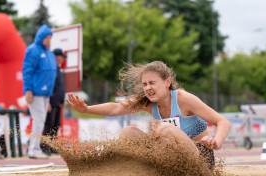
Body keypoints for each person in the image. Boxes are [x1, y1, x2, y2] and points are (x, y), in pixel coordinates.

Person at [66, 61, 231, 167]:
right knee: (128, 132)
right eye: (144, 84)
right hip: (171, 159)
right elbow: (116, 108)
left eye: (152, 83)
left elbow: (222, 121)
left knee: (164, 129)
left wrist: (216, 141)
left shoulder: (183, 99)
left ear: (167, 82)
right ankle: (133, 170)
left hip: (199, 159)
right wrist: (87, 109)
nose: (147, 88)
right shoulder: (148, 102)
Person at [22, 24, 57, 159]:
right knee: (39, 119)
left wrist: (48, 95)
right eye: (47, 38)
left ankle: (35, 148)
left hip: (44, 94)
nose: (49, 41)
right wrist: (28, 90)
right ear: (41, 38)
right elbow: (27, 71)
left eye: (50, 38)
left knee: (40, 120)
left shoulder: (49, 53)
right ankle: (33, 149)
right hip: (35, 92)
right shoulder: (32, 50)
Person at [41, 48, 66, 155]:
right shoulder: (51, 68)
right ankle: (45, 146)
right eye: (61, 57)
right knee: (49, 124)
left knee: (56, 124)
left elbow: (60, 87)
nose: (63, 59)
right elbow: (49, 86)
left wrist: (62, 100)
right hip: (52, 101)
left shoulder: (58, 69)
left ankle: (52, 146)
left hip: (58, 102)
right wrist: (48, 102)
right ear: (57, 56)